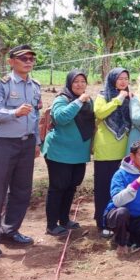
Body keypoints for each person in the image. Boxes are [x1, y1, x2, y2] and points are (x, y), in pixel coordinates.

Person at [0, 45, 41, 260]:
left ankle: (10, 230)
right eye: (23, 58)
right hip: (5, 144)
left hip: (26, 144)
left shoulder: (35, 86)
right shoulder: (3, 85)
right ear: (11, 61)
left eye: (31, 58)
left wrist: (37, 141)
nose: (28, 61)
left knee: (22, 191)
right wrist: (14, 112)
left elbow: (35, 115)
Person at [41, 69, 94, 237]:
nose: (80, 85)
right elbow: (61, 118)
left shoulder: (88, 101)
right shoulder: (62, 99)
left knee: (71, 187)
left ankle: (64, 219)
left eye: (83, 82)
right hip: (60, 153)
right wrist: (78, 102)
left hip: (78, 153)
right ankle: (51, 225)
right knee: (58, 187)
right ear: (69, 84)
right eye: (76, 82)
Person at [93, 67, 131, 237]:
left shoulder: (130, 98)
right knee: (103, 188)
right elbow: (100, 112)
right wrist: (118, 99)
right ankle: (102, 222)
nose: (123, 81)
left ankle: (118, 221)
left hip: (123, 150)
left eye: (126, 78)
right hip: (105, 150)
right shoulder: (103, 96)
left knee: (120, 189)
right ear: (112, 79)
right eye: (120, 78)